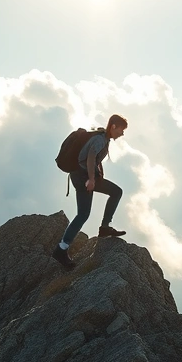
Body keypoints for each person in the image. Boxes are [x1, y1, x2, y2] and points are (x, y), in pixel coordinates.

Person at [52, 114, 129, 268]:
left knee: (84, 213)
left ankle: (63, 248)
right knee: (113, 194)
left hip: (81, 176)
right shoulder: (100, 139)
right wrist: (92, 179)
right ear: (113, 126)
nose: (122, 133)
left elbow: (93, 158)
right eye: (121, 130)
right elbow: (90, 157)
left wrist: (96, 174)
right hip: (83, 178)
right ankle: (63, 249)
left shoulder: (103, 138)